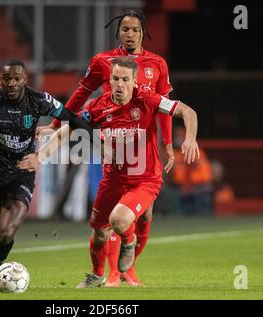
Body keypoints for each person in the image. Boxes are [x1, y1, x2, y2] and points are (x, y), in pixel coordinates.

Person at [29, 57, 199, 288]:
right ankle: (97, 274)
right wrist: (39, 157)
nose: (120, 84)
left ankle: (128, 242)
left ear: (134, 82)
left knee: (118, 220)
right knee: (99, 235)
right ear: (109, 80)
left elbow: (188, 112)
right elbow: (68, 130)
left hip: (144, 180)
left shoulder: (148, 100)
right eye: (116, 78)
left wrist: (189, 138)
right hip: (112, 180)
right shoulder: (97, 106)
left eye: (125, 79)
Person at [36, 9, 175, 287]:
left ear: (143, 32)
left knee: (141, 214)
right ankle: (108, 273)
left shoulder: (157, 63)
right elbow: (83, 93)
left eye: (135, 29)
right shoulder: (102, 61)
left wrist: (168, 143)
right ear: (118, 32)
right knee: (110, 220)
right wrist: (55, 123)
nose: (130, 34)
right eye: (125, 29)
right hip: (107, 132)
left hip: (143, 148)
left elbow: (164, 109)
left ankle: (127, 270)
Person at [0, 60, 94, 290]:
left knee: (7, 231)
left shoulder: (39, 100)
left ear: (25, 79)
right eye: (7, 79)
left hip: (22, 172)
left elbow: (72, 119)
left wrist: (97, 142)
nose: (12, 83)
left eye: (17, 78)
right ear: (0, 81)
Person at [169, 126, 213, 214]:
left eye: (180, 136)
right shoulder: (176, 154)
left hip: (200, 185)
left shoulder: (195, 150)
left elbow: (194, 163)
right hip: (182, 186)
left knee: (201, 210)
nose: (178, 139)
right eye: (177, 136)